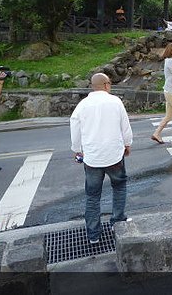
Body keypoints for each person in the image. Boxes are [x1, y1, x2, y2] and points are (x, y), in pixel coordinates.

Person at [70, 73, 133, 244]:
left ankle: (93, 235)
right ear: (106, 85)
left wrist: (77, 150)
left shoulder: (82, 105)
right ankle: (117, 222)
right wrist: (127, 144)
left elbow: (74, 126)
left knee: (92, 196)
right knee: (119, 187)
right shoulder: (115, 102)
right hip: (114, 155)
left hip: (92, 157)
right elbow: (125, 126)